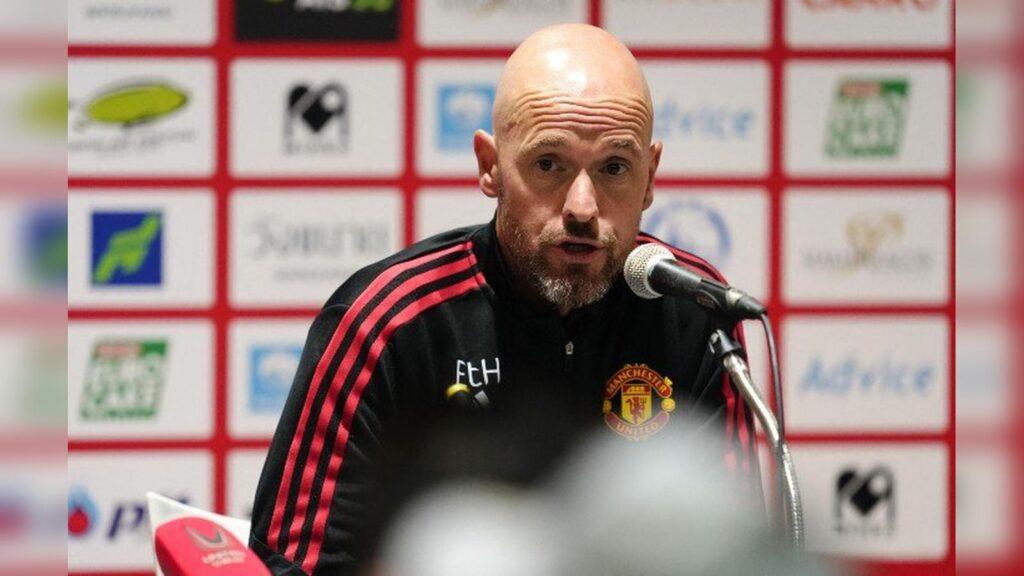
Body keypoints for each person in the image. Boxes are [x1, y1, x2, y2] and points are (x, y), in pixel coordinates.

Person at [249, 24, 759, 576]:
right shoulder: (386, 324)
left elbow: (737, 557)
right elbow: (293, 565)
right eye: (549, 164)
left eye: (614, 168)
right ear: (490, 166)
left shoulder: (694, 312)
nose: (582, 207)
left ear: (650, 177)